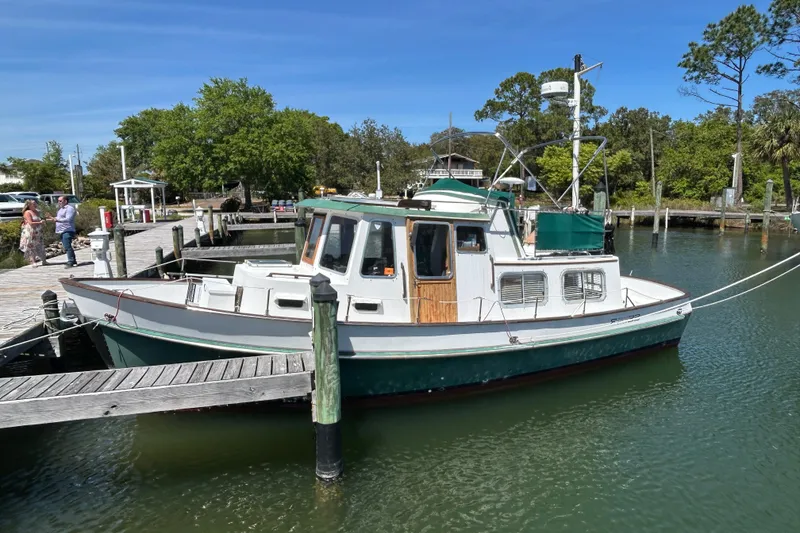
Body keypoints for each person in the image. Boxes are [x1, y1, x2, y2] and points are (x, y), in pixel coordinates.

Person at [19, 200, 48, 267]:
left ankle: (44, 260)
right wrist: (40, 223)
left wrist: (44, 221)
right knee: (31, 246)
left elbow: (39, 219)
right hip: (30, 231)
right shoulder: (27, 212)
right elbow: (30, 223)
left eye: (35, 204)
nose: (35, 205)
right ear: (29, 205)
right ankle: (33, 261)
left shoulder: (37, 212)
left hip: (37, 231)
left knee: (40, 244)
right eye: (33, 204)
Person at [52, 195, 77, 268]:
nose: (59, 202)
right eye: (58, 201)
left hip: (68, 230)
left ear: (65, 201)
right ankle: (73, 260)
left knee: (67, 246)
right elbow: (59, 218)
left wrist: (57, 220)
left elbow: (68, 219)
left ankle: (71, 261)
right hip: (62, 230)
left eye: (60, 201)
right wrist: (53, 218)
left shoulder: (69, 208)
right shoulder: (61, 209)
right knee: (66, 246)